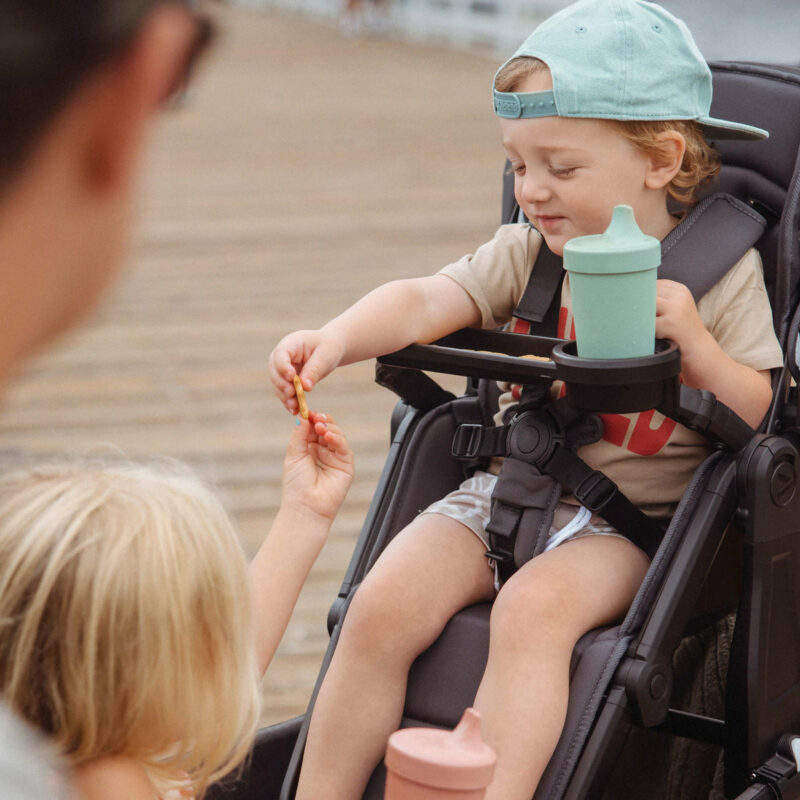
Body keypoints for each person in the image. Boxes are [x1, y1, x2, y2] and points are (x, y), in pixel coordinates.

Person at [267, 1, 784, 798]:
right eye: (517, 164)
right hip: (506, 491)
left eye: (560, 167)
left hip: (632, 526)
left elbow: (763, 417)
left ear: (661, 159)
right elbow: (423, 299)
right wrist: (337, 338)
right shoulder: (530, 254)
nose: (531, 191)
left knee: (533, 616)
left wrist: (701, 350)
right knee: (379, 603)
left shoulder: (718, 274)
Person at [0, 0, 350, 797]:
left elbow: (223, 675)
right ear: (136, 82)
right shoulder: (139, 779)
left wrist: (302, 517)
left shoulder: (116, 750)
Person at [0, 411, 353, 800]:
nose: (222, 659)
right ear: (141, 680)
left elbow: (231, 666)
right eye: (205, 647)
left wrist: (304, 513)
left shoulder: (59, 748)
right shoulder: (111, 783)